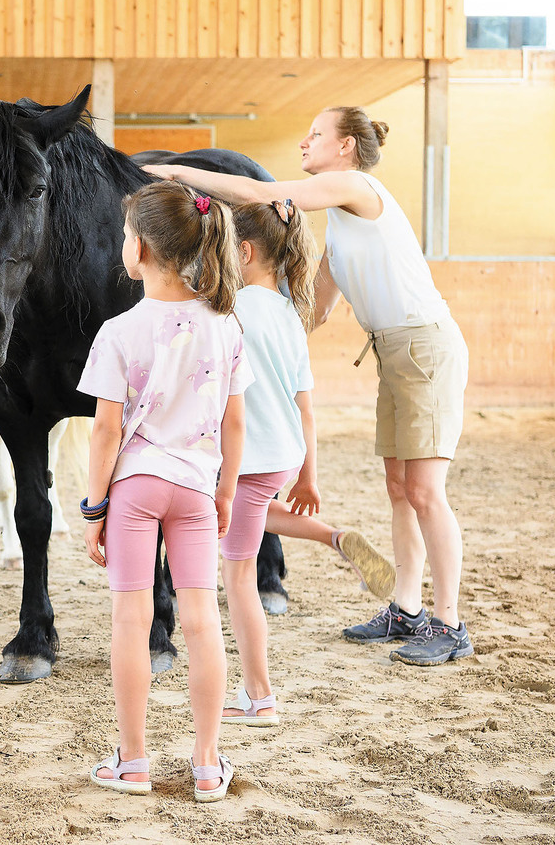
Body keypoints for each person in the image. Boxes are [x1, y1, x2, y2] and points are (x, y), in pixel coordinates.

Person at [143, 106, 472, 667]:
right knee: (399, 487)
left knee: (425, 491)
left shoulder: (356, 186)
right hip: (394, 352)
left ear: (345, 147)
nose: (305, 140)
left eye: (316, 134)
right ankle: (407, 608)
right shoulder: (341, 229)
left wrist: (178, 174)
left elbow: (251, 189)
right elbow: (310, 312)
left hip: (423, 347)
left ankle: (449, 622)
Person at [81, 182, 251, 802]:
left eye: (126, 235)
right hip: (196, 491)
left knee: (131, 617)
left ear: (141, 249)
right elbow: (236, 423)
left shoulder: (118, 331)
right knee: (204, 621)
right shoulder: (225, 326)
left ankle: (133, 762)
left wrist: (95, 507)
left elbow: (105, 431)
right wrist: (226, 490)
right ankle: (207, 764)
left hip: (135, 489)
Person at [219, 199, 395, 728]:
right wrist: (309, 475)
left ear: (244, 252)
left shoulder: (228, 311)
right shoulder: (292, 318)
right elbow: (307, 409)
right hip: (282, 455)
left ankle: (260, 696)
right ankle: (335, 537)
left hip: (246, 456)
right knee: (256, 511)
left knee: (239, 577)